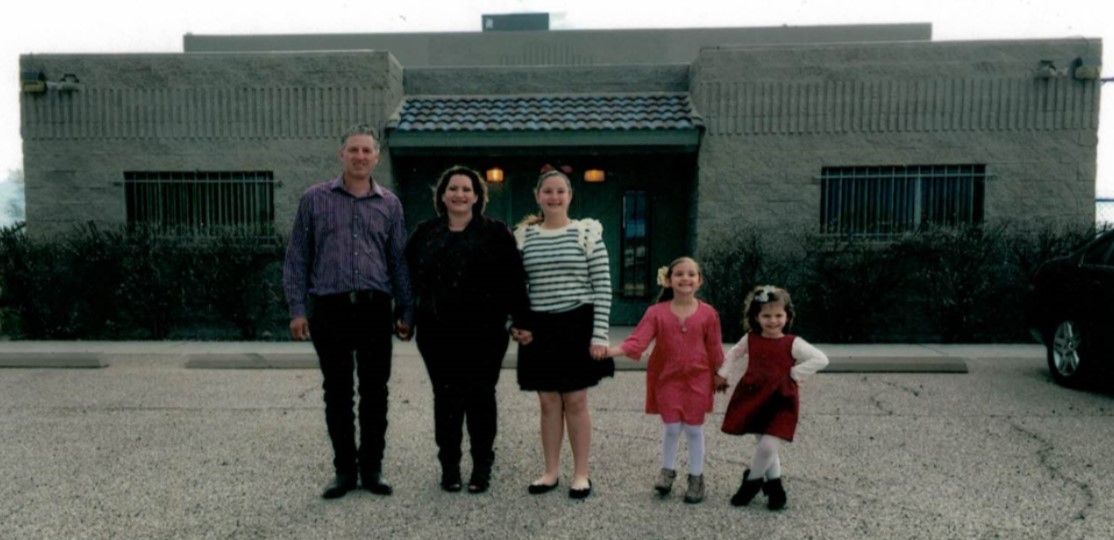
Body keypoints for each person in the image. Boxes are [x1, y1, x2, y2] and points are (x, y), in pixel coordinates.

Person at [282, 124, 414, 500]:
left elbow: (399, 261)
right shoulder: (314, 199)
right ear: (342, 155)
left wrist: (406, 310)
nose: (360, 157)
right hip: (330, 309)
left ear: (376, 157)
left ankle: (372, 469)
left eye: (366, 151)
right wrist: (296, 309)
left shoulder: (389, 204)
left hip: (374, 310)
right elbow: (297, 258)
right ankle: (344, 471)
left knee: (375, 392)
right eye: (353, 150)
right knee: (337, 393)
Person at [406, 165, 530, 494]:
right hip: (437, 332)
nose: (459, 194)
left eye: (466, 189)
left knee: (480, 398)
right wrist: (404, 316)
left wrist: (521, 320)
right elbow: (408, 280)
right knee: (446, 400)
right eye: (453, 189)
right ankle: (449, 467)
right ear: (442, 196)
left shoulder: (497, 233)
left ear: (477, 196)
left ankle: (481, 467)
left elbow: (515, 280)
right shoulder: (424, 233)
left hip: (485, 333)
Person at [511, 168, 612, 500]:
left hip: (577, 325)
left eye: (560, 192)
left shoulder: (587, 234)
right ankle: (550, 471)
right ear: (537, 196)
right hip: (540, 328)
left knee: (576, 399)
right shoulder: (523, 237)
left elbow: (603, 287)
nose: (554, 197)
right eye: (548, 192)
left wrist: (599, 335)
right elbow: (513, 288)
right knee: (548, 402)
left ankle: (581, 474)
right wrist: (515, 323)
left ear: (569, 196)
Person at [605, 256, 725, 504]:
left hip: (698, 378)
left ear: (699, 281)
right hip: (667, 377)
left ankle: (696, 477)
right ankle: (667, 471)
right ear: (669, 280)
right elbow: (638, 340)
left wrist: (720, 373)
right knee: (671, 426)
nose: (685, 278)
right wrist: (610, 351)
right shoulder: (656, 312)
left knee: (693, 428)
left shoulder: (708, 314)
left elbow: (714, 347)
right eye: (679, 274)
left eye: (691, 274)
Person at [717, 285, 828, 511]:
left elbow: (821, 359)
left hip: (781, 400)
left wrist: (795, 374)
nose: (773, 321)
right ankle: (775, 487)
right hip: (754, 396)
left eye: (778, 315)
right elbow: (734, 353)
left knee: (768, 445)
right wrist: (723, 373)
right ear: (756, 317)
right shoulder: (751, 339)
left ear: (787, 316)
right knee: (763, 445)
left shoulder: (792, 343)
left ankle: (751, 483)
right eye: (766, 315)